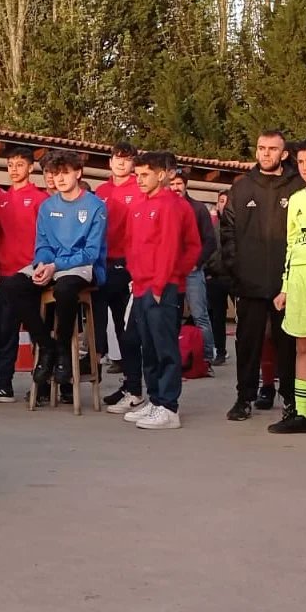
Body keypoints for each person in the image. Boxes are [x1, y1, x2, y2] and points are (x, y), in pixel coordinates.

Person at [222, 130, 304, 423]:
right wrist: (236, 268)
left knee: (289, 346)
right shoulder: (242, 187)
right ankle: (244, 398)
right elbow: (228, 230)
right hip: (250, 282)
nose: (265, 154)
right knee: (247, 344)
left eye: (272, 149)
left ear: (284, 154)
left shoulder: (298, 186)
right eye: (261, 148)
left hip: (288, 284)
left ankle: (293, 403)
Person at [122, 152, 200, 430]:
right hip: (142, 285)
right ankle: (155, 399)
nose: (140, 180)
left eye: (145, 174)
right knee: (149, 346)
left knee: (165, 346)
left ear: (162, 174)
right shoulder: (139, 205)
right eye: (137, 175)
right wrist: (136, 275)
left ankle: (169, 406)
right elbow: (131, 243)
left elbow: (173, 247)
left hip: (162, 287)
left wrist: (164, 281)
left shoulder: (170, 205)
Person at [21, 151, 107, 388]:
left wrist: (55, 266)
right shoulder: (47, 206)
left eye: (65, 173)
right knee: (13, 286)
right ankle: (46, 347)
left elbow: (90, 253)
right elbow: (43, 245)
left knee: (65, 289)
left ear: (78, 173)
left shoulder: (95, 206)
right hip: (51, 264)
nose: (59, 179)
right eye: (54, 173)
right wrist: (42, 266)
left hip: (80, 266)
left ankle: (63, 352)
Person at [269, 138, 306, 433]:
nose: (305, 167)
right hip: (302, 277)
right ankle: (302, 415)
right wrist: (286, 286)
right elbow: (291, 245)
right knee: (305, 345)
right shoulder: (296, 200)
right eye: (302, 162)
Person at [0, 147, 47, 403]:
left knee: (36, 329)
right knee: (5, 331)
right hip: (6, 273)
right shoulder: (3, 199)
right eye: (10, 164)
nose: (14, 169)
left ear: (30, 168)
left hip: (30, 273)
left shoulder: (40, 199)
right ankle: (2, 384)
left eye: (19, 164)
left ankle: (41, 385)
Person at [94, 142, 143, 411]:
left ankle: (134, 385)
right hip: (100, 264)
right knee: (96, 328)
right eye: (116, 158)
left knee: (127, 332)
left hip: (126, 267)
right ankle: (105, 380)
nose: (121, 163)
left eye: (126, 158)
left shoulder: (139, 189)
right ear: (109, 162)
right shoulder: (101, 191)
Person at [169, 169, 217, 365]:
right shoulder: (166, 207)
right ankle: (175, 357)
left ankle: (206, 357)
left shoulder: (198, 209)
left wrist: (196, 263)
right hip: (171, 272)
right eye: (172, 184)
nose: (175, 188)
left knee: (200, 316)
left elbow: (210, 241)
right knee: (172, 317)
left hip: (192, 272)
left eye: (179, 184)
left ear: (186, 185)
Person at [205, 191, 232, 366]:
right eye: (221, 201)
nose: (224, 204)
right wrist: (207, 270)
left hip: (236, 277)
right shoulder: (212, 227)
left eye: (227, 201)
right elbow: (207, 248)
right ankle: (219, 351)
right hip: (215, 277)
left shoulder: (241, 225)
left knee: (245, 320)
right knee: (217, 317)